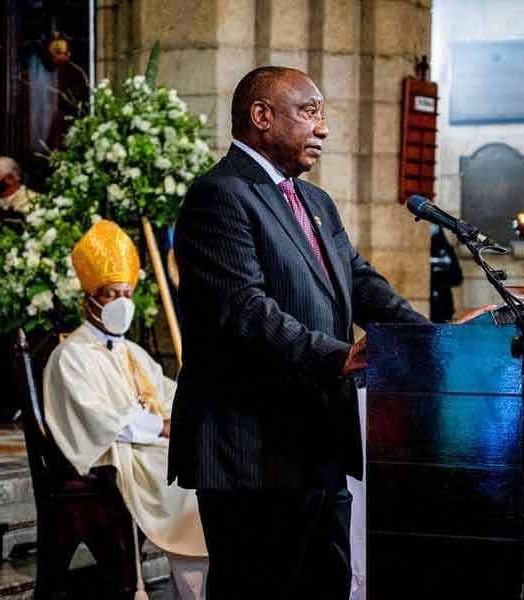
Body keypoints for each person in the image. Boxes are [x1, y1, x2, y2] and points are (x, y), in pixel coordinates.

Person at [169, 66, 431, 600]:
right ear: (262, 116)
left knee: (326, 585)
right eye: (310, 112)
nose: (324, 128)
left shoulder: (315, 201)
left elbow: (362, 284)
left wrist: (429, 339)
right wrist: (340, 356)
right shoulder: (219, 195)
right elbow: (244, 310)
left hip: (318, 443)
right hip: (251, 449)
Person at [43, 220, 207, 599]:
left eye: (127, 294)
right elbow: (98, 419)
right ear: (90, 300)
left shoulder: (132, 352)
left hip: (148, 448)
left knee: (207, 464)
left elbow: (170, 395)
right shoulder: (72, 355)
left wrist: (193, 415)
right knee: (192, 482)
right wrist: (161, 428)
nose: (122, 303)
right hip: (116, 456)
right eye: (112, 294)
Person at [429, 224, 463, 322]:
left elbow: (458, 278)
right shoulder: (421, 251)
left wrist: (440, 278)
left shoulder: (447, 250)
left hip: (443, 305)